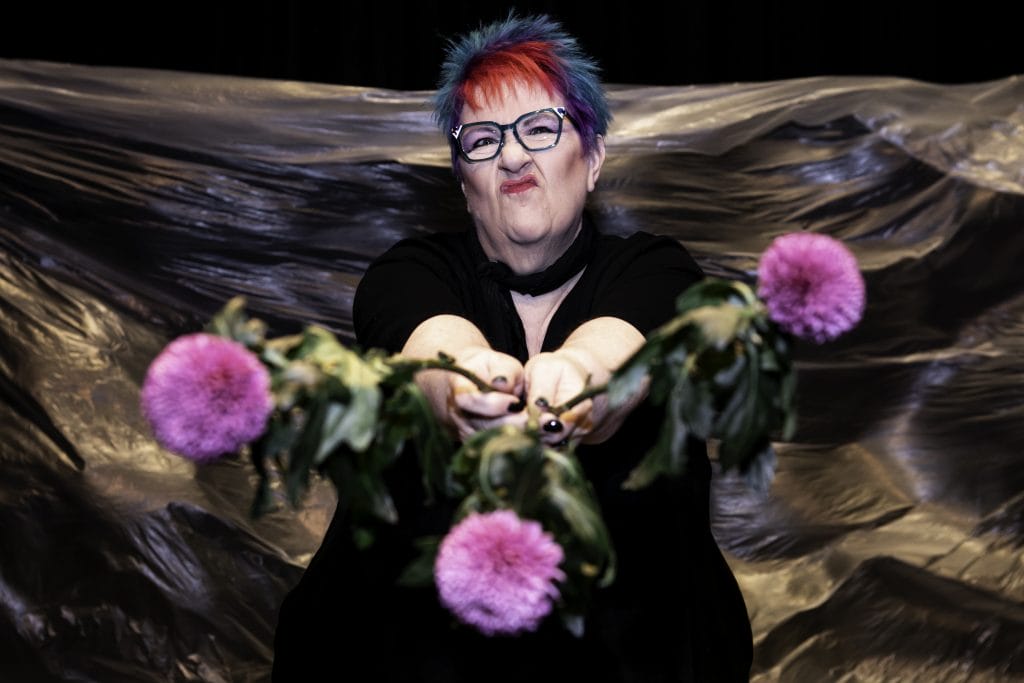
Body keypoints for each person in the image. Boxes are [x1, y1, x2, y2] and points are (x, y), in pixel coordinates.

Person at [273, 14, 752, 682]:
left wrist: (579, 378)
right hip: (412, 651)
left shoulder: (658, 270)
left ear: (593, 156)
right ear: (461, 179)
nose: (512, 155)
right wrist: (463, 383)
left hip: (632, 653)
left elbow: (622, 352)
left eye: (539, 128)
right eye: (483, 138)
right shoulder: (408, 271)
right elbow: (429, 345)